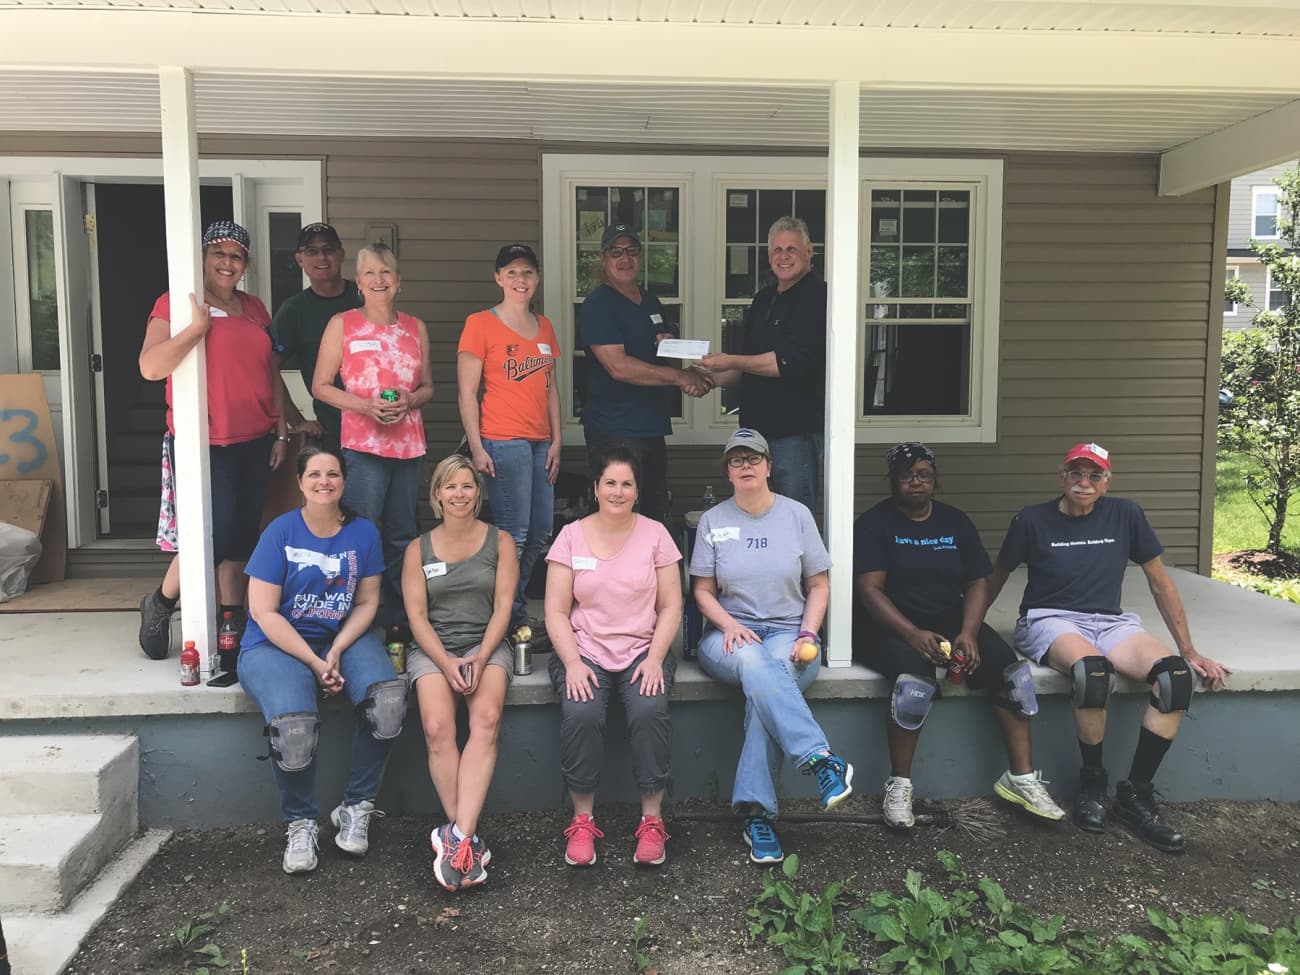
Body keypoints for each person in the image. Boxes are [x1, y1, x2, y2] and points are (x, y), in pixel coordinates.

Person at [989, 442, 1232, 853]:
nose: (1084, 483)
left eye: (1094, 475)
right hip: (1049, 619)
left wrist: (1189, 651)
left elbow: (1160, 583)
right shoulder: (1031, 519)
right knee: (1093, 672)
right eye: (1076, 473)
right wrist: (968, 629)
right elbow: (996, 575)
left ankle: (1135, 795)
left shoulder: (1126, 515)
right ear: (1062, 477)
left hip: (1110, 621)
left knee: (1175, 677)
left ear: (1107, 482)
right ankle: (1092, 785)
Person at [853, 442, 1066, 831]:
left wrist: (969, 632)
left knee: (1012, 676)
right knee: (914, 683)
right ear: (892, 480)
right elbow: (869, 591)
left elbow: (977, 582)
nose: (915, 482)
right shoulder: (874, 524)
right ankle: (899, 786)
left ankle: (1020, 779)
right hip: (887, 623)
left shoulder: (955, 522)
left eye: (924, 475)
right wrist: (913, 634)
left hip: (948, 616)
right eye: (906, 475)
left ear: (934, 480)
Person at [238, 445, 408, 874]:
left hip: (341, 637)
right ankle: (300, 823)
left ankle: (356, 806)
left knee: (388, 702)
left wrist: (335, 650)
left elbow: (367, 602)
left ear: (344, 482)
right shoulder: (280, 532)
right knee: (294, 726)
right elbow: (263, 612)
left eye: (333, 474)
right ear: (300, 482)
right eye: (314, 474)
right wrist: (315, 664)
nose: (324, 482)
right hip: (275, 645)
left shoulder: (363, 533)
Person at [690, 428, 853, 865]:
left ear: (769, 466)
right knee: (754, 663)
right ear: (728, 471)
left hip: (788, 633)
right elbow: (702, 590)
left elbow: (819, 584)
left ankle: (755, 814)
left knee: (766, 686)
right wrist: (729, 625)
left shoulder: (797, 516)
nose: (745, 466)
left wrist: (808, 634)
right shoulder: (713, 521)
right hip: (727, 634)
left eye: (753, 458)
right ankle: (820, 758)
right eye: (736, 460)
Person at [137, 220, 290, 667]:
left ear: (246, 264)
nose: (227, 262)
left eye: (236, 256)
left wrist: (281, 429)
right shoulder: (177, 303)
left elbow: (270, 372)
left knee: (242, 533)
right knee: (213, 533)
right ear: (203, 257)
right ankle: (162, 601)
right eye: (218, 253)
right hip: (204, 441)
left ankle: (230, 618)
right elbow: (151, 366)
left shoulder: (255, 308)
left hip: (256, 437)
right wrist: (195, 329)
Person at [544, 446, 682, 867]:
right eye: (610, 483)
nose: (618, 492)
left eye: (626, 484)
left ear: (637, 491)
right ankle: (582, 820)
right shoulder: (571, 536)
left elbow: (671, 606)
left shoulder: (656, 535)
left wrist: (655, 658)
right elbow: (555, 610)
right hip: (584, 650)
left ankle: (652, 820)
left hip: (644, 649)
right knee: (582, 713)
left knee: (648, 710)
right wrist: (572, 663)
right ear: (596, 488)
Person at [402, 455, 518, 892]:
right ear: (437, 494)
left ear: (477, 493)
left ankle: (456, 839)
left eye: (467, 486)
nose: (459, 494)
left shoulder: (500, 542)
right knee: (437, 727)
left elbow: (503, 607)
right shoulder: (418, 549)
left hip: (485, 644)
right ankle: (464, 838)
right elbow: (417, 617)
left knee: (486, 719)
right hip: (434, 649)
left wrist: (481, 656)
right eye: (450, 486)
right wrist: (447, 661)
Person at [312, 242, 433, 630]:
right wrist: (365, 406)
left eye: (386, 272)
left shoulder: (415, 327)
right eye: (369, 273)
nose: (378, 280)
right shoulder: (343, 324)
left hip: (408, 446)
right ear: (359, 282)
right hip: (363, 446)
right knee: (361, 532)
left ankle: (399, 621)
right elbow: (320, 386)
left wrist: (411, 399)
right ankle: (353, 617)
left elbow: (428, 387)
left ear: (398, 281)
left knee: (402, 535)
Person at [457, 243, 559, 643]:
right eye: (512, 272)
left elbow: (551, 388)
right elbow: (467, 392)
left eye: (527, 272)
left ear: (537, 279)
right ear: (498, 278)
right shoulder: (480, 323)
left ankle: (511, 612)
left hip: (540, 442)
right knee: (513, 535)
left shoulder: (544, 326)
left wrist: (557, 439)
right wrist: (477, 446)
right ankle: (508, 619)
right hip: (503, 438)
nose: (520, 279)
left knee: (540, 533)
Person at [580, 224, 711, 524]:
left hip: (651, 425)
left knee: (653, 517)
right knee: (618, 517)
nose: (624, 258)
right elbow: (618, 366)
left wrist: (675, 353)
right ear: (603, 258)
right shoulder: (598, 305)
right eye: (616, 252)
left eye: (631, 251)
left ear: (640, 256)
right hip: (615, 430)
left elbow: (664, 360)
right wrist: (681, 378)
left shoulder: (651, 302)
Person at [700, 217, 826, 515]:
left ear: (809, 251)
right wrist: (706, 378)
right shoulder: (763, 300)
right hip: (754, 438)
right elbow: (749, 363)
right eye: (777, 250)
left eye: (791, 249)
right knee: (755, 514)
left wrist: (730, 360)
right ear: (769, 256)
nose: (783, 256)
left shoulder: (818, 297)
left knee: (793, 517)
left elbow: (786, 363)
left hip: (794, 435)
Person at [270, 222, 360, 444]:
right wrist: (296, 421)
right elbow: (268, 367)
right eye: (311, 251)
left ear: (341, 254)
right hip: (331, 432)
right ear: (299, 259)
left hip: (378, 425)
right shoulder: (294, 311)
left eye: (328, 249)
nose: (321, 257)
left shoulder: (364, 298)